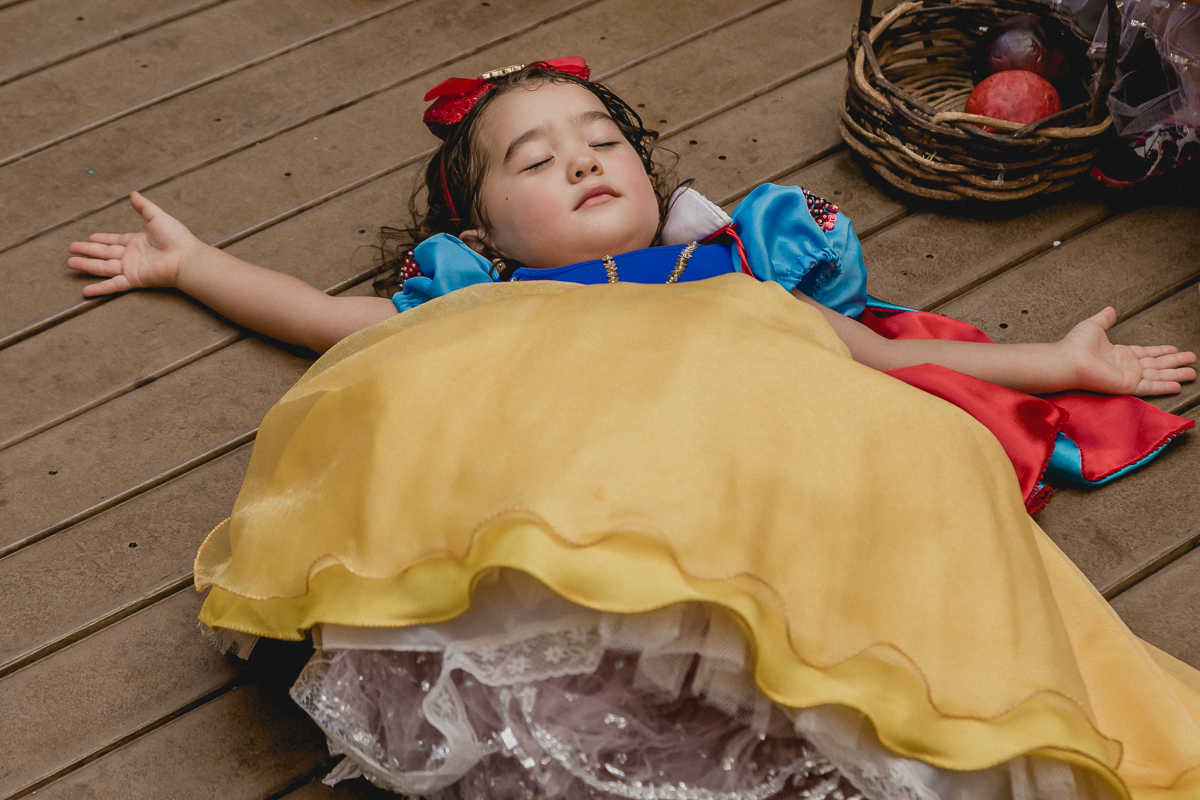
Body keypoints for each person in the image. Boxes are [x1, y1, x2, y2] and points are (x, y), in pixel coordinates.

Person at [69, 60, 1200, 800]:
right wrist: (194, 261)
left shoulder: (737, 279)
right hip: (578, 518)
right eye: (533, 158)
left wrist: (1056, 360)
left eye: (602, 140)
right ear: (486, 232)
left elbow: (892, 361)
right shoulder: (480, 307)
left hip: (751, 505)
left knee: (911, 446)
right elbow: (325, 320)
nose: (580, 158)